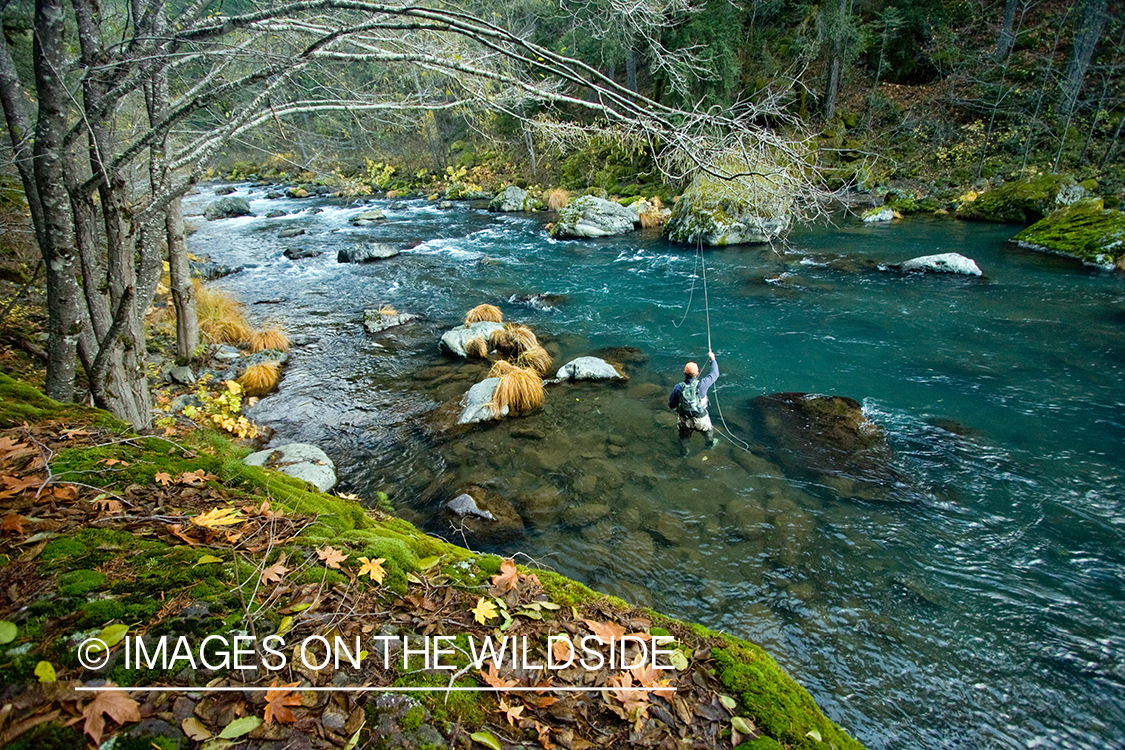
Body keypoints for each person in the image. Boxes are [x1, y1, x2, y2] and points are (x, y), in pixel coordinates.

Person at [668, 351, 719, 456]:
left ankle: (684, 452)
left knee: (683, 438)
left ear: (684, 373)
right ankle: (709, 445)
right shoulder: (703, 384)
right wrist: (712, 359)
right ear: (697, 373)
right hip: (701, 419)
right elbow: (715, 374)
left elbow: (671, 405)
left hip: (685, 420)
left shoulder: (678, 387)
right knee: (708, 431)